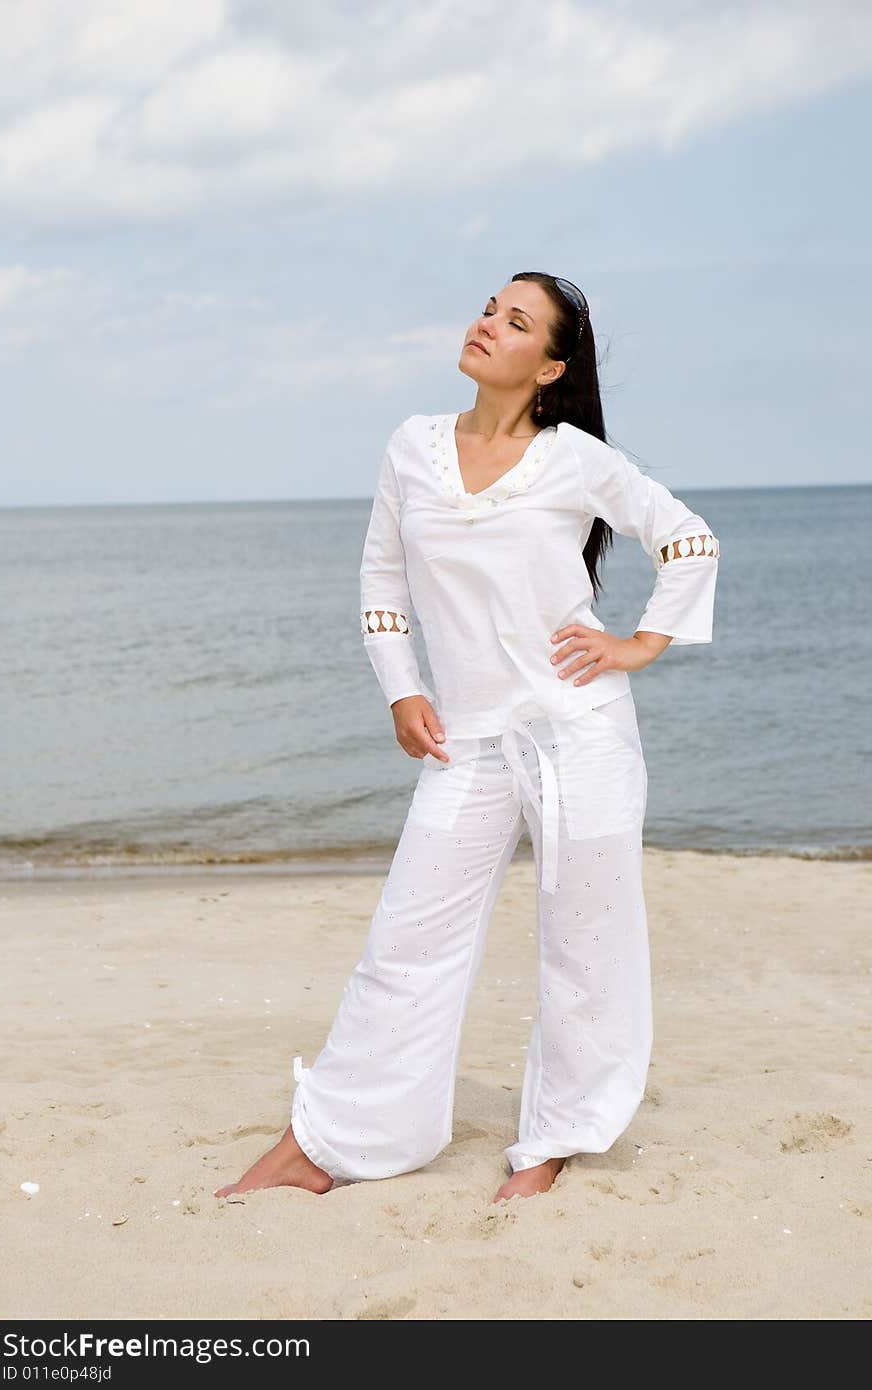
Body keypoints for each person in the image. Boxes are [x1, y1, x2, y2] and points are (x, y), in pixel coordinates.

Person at [214, 271, 720, 1205]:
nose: (489, 323)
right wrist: (402, 691)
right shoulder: (412, 448)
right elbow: (381, 582)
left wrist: (638, 645)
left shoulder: (575, 458)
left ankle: (553, 1141)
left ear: (551, 366)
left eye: (517, 321)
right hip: (469, 743)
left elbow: (686, 538)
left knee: (584, 944)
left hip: (582, 734)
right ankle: (332, 1140)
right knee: (406, 941)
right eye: (491, 307)